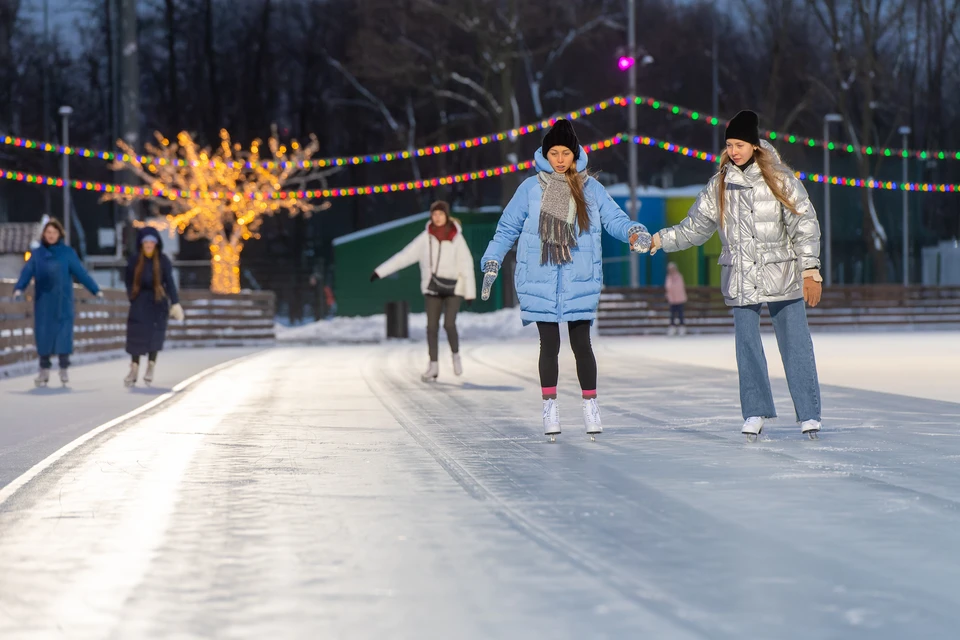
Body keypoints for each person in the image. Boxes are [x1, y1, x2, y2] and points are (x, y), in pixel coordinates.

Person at [648, 110, 824, 441]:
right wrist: (659, 240)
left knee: (796, 344)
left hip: (782, 273)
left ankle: (809, 414)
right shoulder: (720, 186)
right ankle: (755, 410)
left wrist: (810, 268)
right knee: (747, 346)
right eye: (729, 144)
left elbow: (805, 223)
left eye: (740, 144)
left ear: (754, 145)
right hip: (741, 275)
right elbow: (694, 229)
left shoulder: (781, 180)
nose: (734, 151)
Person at [479, 119, 651, 441]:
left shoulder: (590, 188)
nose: (560, 160)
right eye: (554, 153)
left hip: (578, 278)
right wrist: (492, 259)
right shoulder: (530, 189)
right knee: (550, 345)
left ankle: (590, 406)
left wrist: (633, 231)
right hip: (540, 278)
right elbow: (506, 229)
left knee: (582, 345)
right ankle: (550, 407)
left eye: (565, 153)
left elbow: (615, 219)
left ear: (575, 154)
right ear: (545, 155)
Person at [370, 201, 476, 381]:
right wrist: (380, 271)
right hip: (432, 287)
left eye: (441, 214)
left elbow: (466, 265)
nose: (437, 217)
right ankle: (433, 365)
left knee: (449, 324)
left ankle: (455, 355)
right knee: (431, 328)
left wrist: (470, 292)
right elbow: (404, 256)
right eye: (434, 214)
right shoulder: (425, 238)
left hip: (454, 288)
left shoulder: (457, 238)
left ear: (447, 216)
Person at [13, 219, 102, 387]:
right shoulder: (38, 254)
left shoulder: (67, 253)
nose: (51, 235)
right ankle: (44, 370)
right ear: (44, 235)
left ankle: (63, 369)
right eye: (48, 233)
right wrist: (19, 289)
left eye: (54, 232)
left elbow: (80, 273)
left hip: (62, 301)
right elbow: (27, 272)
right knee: (44, 335)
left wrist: (95, 289)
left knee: (63, 335)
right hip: (44, 303)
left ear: (59, 234)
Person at [123, 227, 183, 387]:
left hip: (158, 302)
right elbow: (128, 280)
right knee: (136, 334)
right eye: (146, 242)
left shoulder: (163, 260)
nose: (149, 245)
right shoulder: (134, 260)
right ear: (141, 244)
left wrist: (175, 302)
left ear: (156, 244)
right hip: (139, 302)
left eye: (152, 242)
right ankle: (134, 367)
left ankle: (151, 365)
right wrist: (132, 296)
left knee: (154, 335)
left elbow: (169, 282)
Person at [665, 262, 688, 336]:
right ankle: (672, 328)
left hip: (679, 299)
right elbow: (668, 287)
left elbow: (679, 287)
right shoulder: (669, 277)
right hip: (672, 300)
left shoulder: (679, 276)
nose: (671, 270)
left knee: (680, 314)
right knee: (672, 315)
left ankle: (682, 328)